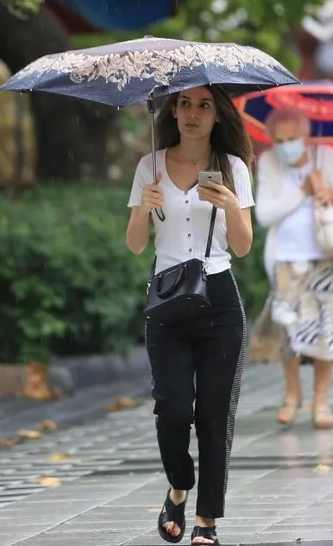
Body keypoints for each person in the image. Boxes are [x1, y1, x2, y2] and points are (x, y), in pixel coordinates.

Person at [126, 85, 255, 546]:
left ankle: (207, 522)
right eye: (185, 104)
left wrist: (230, 204)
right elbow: (136, 244)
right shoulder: (150, 166)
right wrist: (144, 205)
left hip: (218, 298)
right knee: (174, 408)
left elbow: (242, 246)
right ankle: (179, 484)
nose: (193, 114)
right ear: (172, 111)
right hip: (166, 299)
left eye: (204, 105)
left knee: (215, 414)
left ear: (218, 115)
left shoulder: (232, 168)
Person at [250, 108, 333, 430]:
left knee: (326, 330)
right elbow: (264, 215)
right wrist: (300, 192)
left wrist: (332, 191)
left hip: (326, 254)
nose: (287, 145)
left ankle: (321, 401)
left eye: (292, 138)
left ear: (305, 135)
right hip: (287, 259)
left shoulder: (327, 156)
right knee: (288, 331)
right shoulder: (270, 163)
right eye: (279, 140)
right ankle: (292, 395)